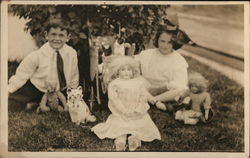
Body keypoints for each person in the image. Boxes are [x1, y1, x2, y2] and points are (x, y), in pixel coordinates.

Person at [91, 56, 161, 151]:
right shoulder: (115, 84)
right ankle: (120, 141)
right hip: (121, 112)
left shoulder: (138, 82)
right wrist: (123, 110)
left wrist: (139, 108)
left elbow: (143, 96)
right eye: (122, 70)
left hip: (137, 112)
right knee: (120, 126)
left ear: (133, 71)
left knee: (138, 126)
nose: (126, 72)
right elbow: (114, 99)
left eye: (129, 70)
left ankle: (134, 139)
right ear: (117, 72)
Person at [8, 19, 79, 110]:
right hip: (37, 87)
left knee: (71, 103)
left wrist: (74, 94)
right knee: (13, 102)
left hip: (59, 91)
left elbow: (74, 76)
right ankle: (34, 103)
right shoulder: (37, 55)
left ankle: (38, 104)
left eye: (61, 35)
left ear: (68, 37)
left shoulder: (71, 53)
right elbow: (22, 74)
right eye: (53, 34)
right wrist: (9, 89)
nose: (57, 39)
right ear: (46, 35)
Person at [135, 24, 192, 112]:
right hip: (146, 86)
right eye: (162, 41)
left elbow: (179, 83)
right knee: (133, 79)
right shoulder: (147, 54)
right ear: (157, 40)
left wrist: (158, 90)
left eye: (169, 42)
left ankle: (154, 99)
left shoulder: (179, 60)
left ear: (175, 43)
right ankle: (152, 99)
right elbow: (133, 63)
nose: (165, 45)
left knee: (182, 90)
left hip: (165, 91)